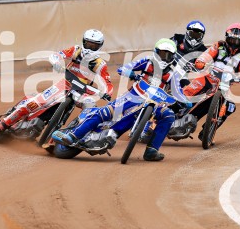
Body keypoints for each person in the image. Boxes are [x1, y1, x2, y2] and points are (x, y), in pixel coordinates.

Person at [54, 38, 187, 162]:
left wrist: (186, 101)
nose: (164, 58)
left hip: (156, 104)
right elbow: (124, 68)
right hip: (134, 96)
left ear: (173, 56)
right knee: (107, 112)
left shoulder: (173, 74)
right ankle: (74, 135)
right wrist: (130, 73)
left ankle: (152, 150)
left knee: (168, 115)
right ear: (156, 52)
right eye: (162, 54)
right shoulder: (147, 61)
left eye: (168, 55)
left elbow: (178, 91)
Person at [0, 29, 113, 134]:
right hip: (65, 84)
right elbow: (56, 55)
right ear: (83, 41)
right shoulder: (76, 50)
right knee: (36, 102)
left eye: (94, 45)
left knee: (90, 106)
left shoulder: (100, 64)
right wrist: (57, 63)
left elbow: (107, 83)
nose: (90, 47)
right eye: (88, 44)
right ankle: (5, 123)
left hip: (82, 91)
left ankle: (75, 134)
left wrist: (106, 93)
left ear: (99, 46)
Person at [182, 23, 240, 138]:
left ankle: (208, 129)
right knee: (186, 94)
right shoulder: (219, 46)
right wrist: (201, 61)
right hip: (207, 78)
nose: (233, 44)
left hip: (223, 86)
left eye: (237, 41)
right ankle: (167, 114)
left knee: (230, 106)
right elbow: (207, 54)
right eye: (231, 40)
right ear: (227, 38)